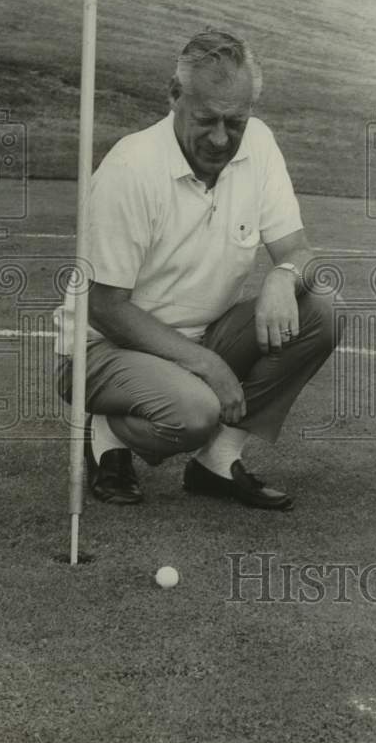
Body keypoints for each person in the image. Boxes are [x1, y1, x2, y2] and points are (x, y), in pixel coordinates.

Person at [54, 27, 338, 510]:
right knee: (196, 412)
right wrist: (210, 367)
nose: (221, 138)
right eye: (206, 119)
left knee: (321, 311)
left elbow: (300, 251)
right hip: (103, 350)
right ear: (174, 96)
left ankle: (216, 464)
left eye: (237, 121)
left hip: (203, 336)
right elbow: (104, 306)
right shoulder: (131, 169)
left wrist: (282, 276)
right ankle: (105, 431)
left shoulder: (261, 145)